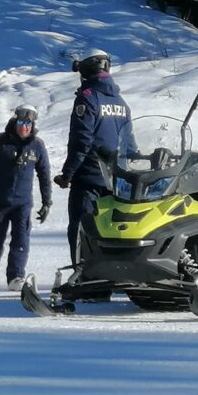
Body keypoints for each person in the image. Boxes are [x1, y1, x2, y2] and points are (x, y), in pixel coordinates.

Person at [54, 49, 137, 266]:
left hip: (89, 177)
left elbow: (82, 140)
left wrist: (68, 173)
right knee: (110, 229)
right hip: (116, 180)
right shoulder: (121, 102)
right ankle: (110, 275)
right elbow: (130, 144)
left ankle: (87, 279)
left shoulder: (88, 98)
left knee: (83, 228)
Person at [0, 104, 52, 291]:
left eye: (28, 123)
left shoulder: (37, 146)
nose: (24, 127)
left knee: (21, 240)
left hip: (23, 204)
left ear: (33, 125)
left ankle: (16, 276)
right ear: (15, 121)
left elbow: (44, 175)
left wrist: (46, 202)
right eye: (21, 122)